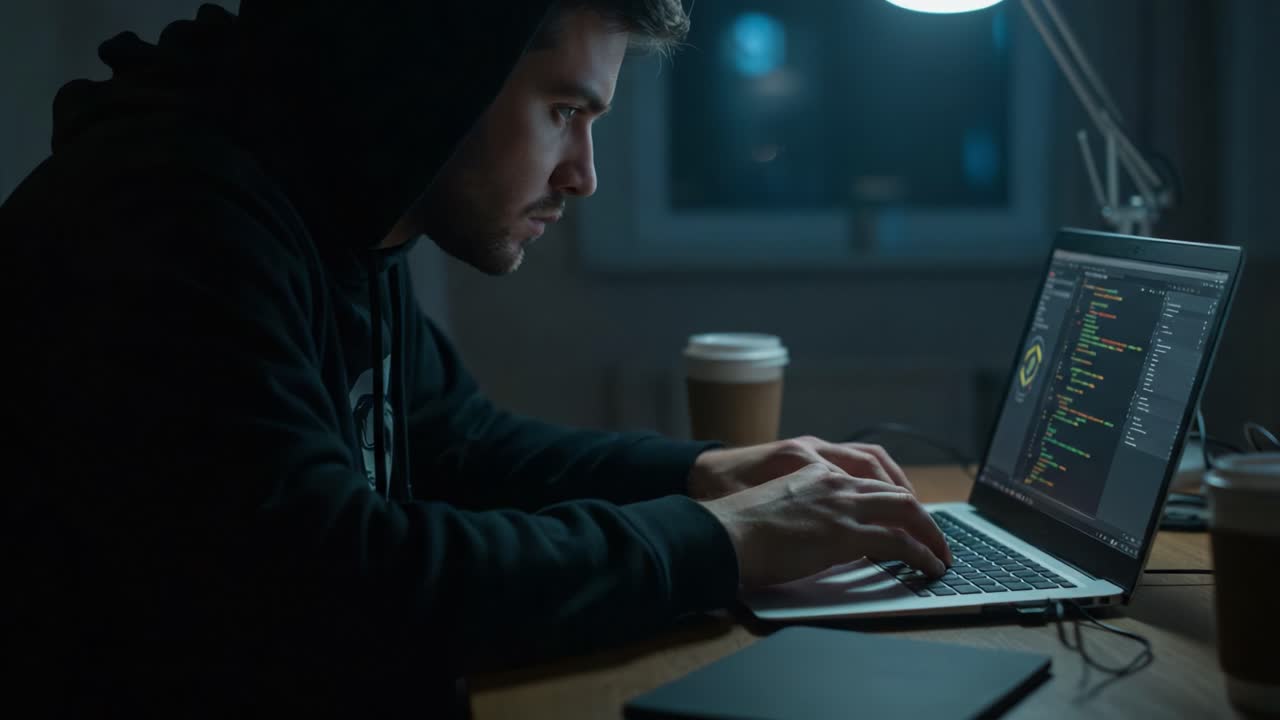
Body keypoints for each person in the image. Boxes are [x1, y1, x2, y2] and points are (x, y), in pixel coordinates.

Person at [0, 0, 951, 716]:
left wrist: (702, 474)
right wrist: (723, 543)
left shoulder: (332, 206)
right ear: (442, 69)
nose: (583, 172)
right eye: (564, 111)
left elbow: (460, 447)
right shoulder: (166, 217)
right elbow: (339, 583)